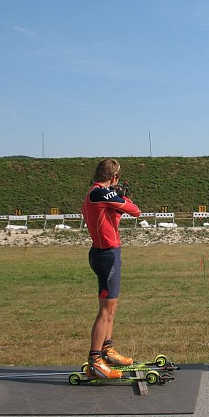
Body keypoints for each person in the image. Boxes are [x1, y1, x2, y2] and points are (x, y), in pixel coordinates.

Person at [81, 158, 141, 379]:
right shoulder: (100, 193)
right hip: (107, 254)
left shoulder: (94, 194)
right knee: (105, 311)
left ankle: (107, 350)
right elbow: (135, 211)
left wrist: (116, 197)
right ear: (114, 177)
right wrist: (121, 196)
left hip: (103, 252)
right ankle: (95, 361)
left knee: (111, 310)